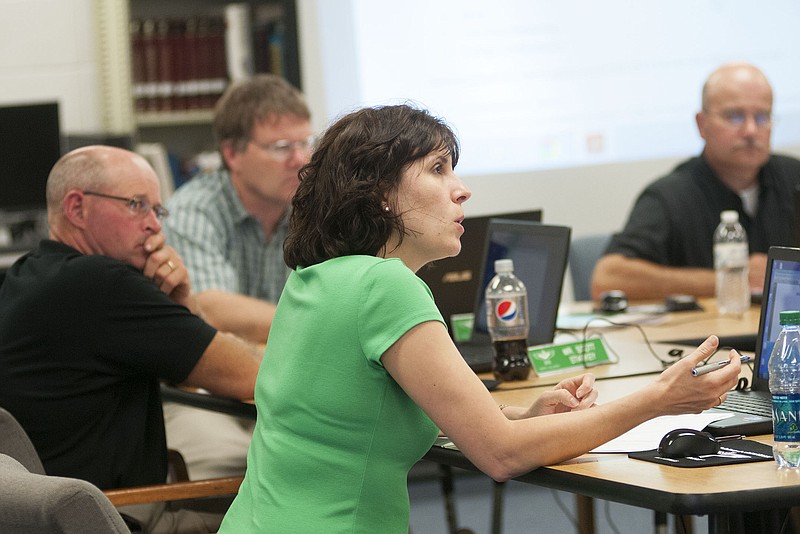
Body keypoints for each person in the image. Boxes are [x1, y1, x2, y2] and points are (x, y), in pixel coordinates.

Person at [218, 104, 740, 533]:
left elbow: (361, 417)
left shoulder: (316, 278)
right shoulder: (388, 286)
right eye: (437, 170)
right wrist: (658, 400)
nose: (461, 189)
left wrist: (524, 418)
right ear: (380, 193)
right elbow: (501, 457)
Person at [0, 145, 262, 534]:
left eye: (158, 210)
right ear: (77, 208)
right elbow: (252, 376)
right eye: (137, 205)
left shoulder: (27, 273)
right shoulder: (101, 283)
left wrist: (180, 301)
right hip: (122, 515)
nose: (155, 225)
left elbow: (186, 375)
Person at [161, 75, 312, 479]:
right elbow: (212, 307)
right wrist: (313, 318)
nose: (299, 158)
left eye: (305, 143)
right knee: (239, 467)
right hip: (208, 392)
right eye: (281, 147)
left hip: (289, 379)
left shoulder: (310, 208)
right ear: (232, 153)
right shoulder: (194, 209)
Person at [592, 62, 800, 301]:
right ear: (702, 124)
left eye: (763, 117)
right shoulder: (670, 196)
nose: (751, 130)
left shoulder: (794, 177)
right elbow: (606, 279)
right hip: (708, 337)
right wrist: (732, 280)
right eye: (735, 116)